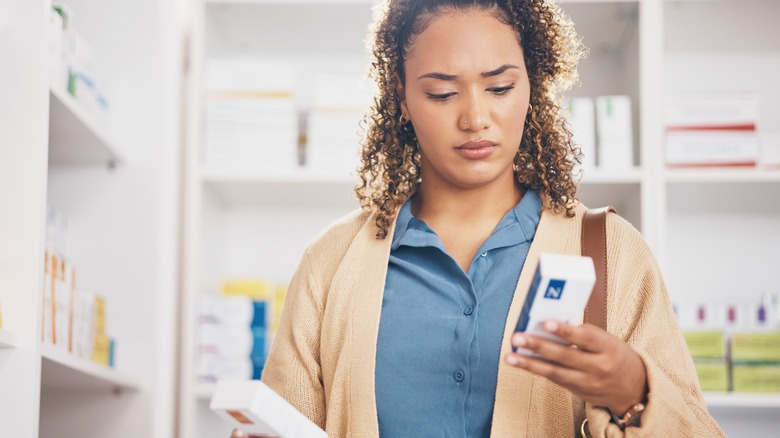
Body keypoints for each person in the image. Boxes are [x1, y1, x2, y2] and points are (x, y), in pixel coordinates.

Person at [238, 0, 725, 436]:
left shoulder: (610, 251)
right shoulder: (331, 262)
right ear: (402, 100)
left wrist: (635, 391)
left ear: (532, 85)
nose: (475, 117)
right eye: (443, 94)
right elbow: (283, 418)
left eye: (499, 87)